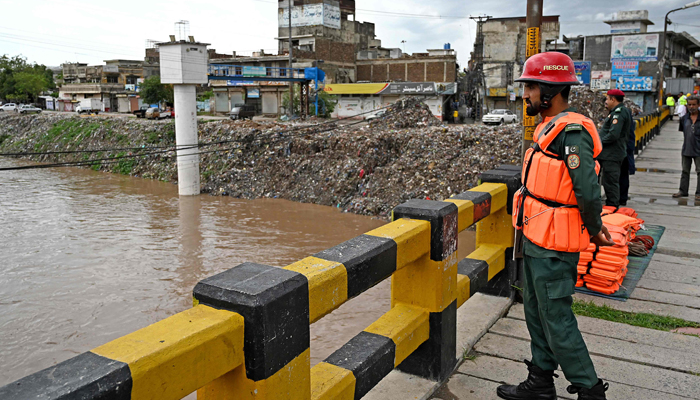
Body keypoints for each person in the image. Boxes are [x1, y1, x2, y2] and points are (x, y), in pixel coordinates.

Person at [499, 52, 613, 400]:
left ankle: (590, 390)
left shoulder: (572, 133)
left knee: (557, 317)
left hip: (554, 244)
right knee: (535, 311)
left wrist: (595, 227)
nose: (526, 95)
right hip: (536, 236)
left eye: (531, 87)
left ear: (550, 90)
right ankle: (540, 381)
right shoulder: (549, 126)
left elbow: (588, 189)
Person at [598, 89, 632, 207]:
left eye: (607, 99)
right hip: (609, 154)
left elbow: (613, 134)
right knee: (608, 181)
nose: (605, 102)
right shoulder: (618, 111)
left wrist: (597, 142)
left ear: (613, 99)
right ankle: (611, 205)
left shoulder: (619, 113)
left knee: (610, 182)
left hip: (611, 154)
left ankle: (612, 206)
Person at [673, 96, 700, 201]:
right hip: (686, 149)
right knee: (685, 171)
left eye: (694, 104)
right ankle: (683, 191)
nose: (691, 107)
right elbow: (683, 132)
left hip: (699, 150)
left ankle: (699, 193)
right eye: (689, 105)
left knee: (699, 171)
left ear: (698, 105)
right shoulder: (684, 118)